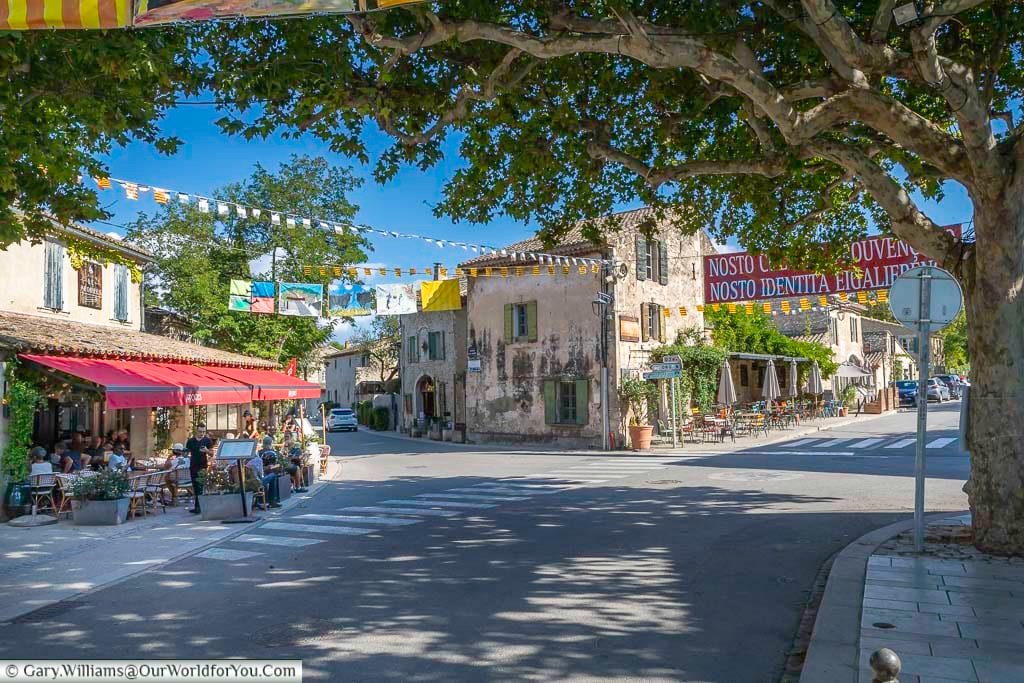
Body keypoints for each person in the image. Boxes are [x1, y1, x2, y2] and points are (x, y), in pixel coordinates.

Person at [185, 423, 213, 514]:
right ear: (196, 431)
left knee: (200, 485)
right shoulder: (191, 441)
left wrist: (206, 451)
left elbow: (212, 454)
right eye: (200, 432)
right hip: (193, 465)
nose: (202, 434)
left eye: (203, 432)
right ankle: (197, 506)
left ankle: (199, 507)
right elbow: (187, 453)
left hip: (203, 465)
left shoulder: (207, 440)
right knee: (195, 486)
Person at [247, 441, 281, 509]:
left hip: (246, 482)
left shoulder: (243, 461)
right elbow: (261, 474)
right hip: (256, 482)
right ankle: (272, 501)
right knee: (273, 475)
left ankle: (264, 502)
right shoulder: (258, 460)